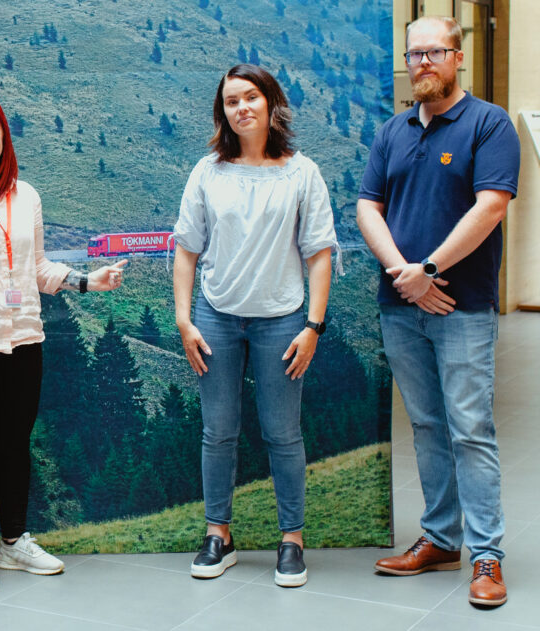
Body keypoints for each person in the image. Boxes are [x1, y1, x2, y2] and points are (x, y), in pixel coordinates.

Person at [0, 97, 127, 588]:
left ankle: (13, 543)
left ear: (3, 138)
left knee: (14, 447)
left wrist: (86, 281)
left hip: (24, 339)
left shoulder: (26, 196)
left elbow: (36, 270)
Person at [357, 16, 518, 607]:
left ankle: (487, 557)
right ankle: (442, 538)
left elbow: (491, 207)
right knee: (426, 426)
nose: (423, 62)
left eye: (434, 52)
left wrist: (427, 271)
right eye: (414, 53)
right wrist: (405, 274)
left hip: (463, 305)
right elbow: (367, 207)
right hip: (400, 307)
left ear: (457, 57)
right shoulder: (393, 131)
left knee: (471, 428)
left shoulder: (488, 124)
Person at [172, 64, 335, 588]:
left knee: (283, 434)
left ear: (270, 104)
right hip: (216, 318)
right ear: (222, 112)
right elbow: (186, 250)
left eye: (250, 98)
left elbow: (320, 254)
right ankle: (219, 535)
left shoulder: (301, 172)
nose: (241, 108)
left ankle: (292, 539)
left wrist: (312, 325)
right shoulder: (207, 171)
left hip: (283, 320)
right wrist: (183, 317)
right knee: (218, 432)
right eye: (231, 101)